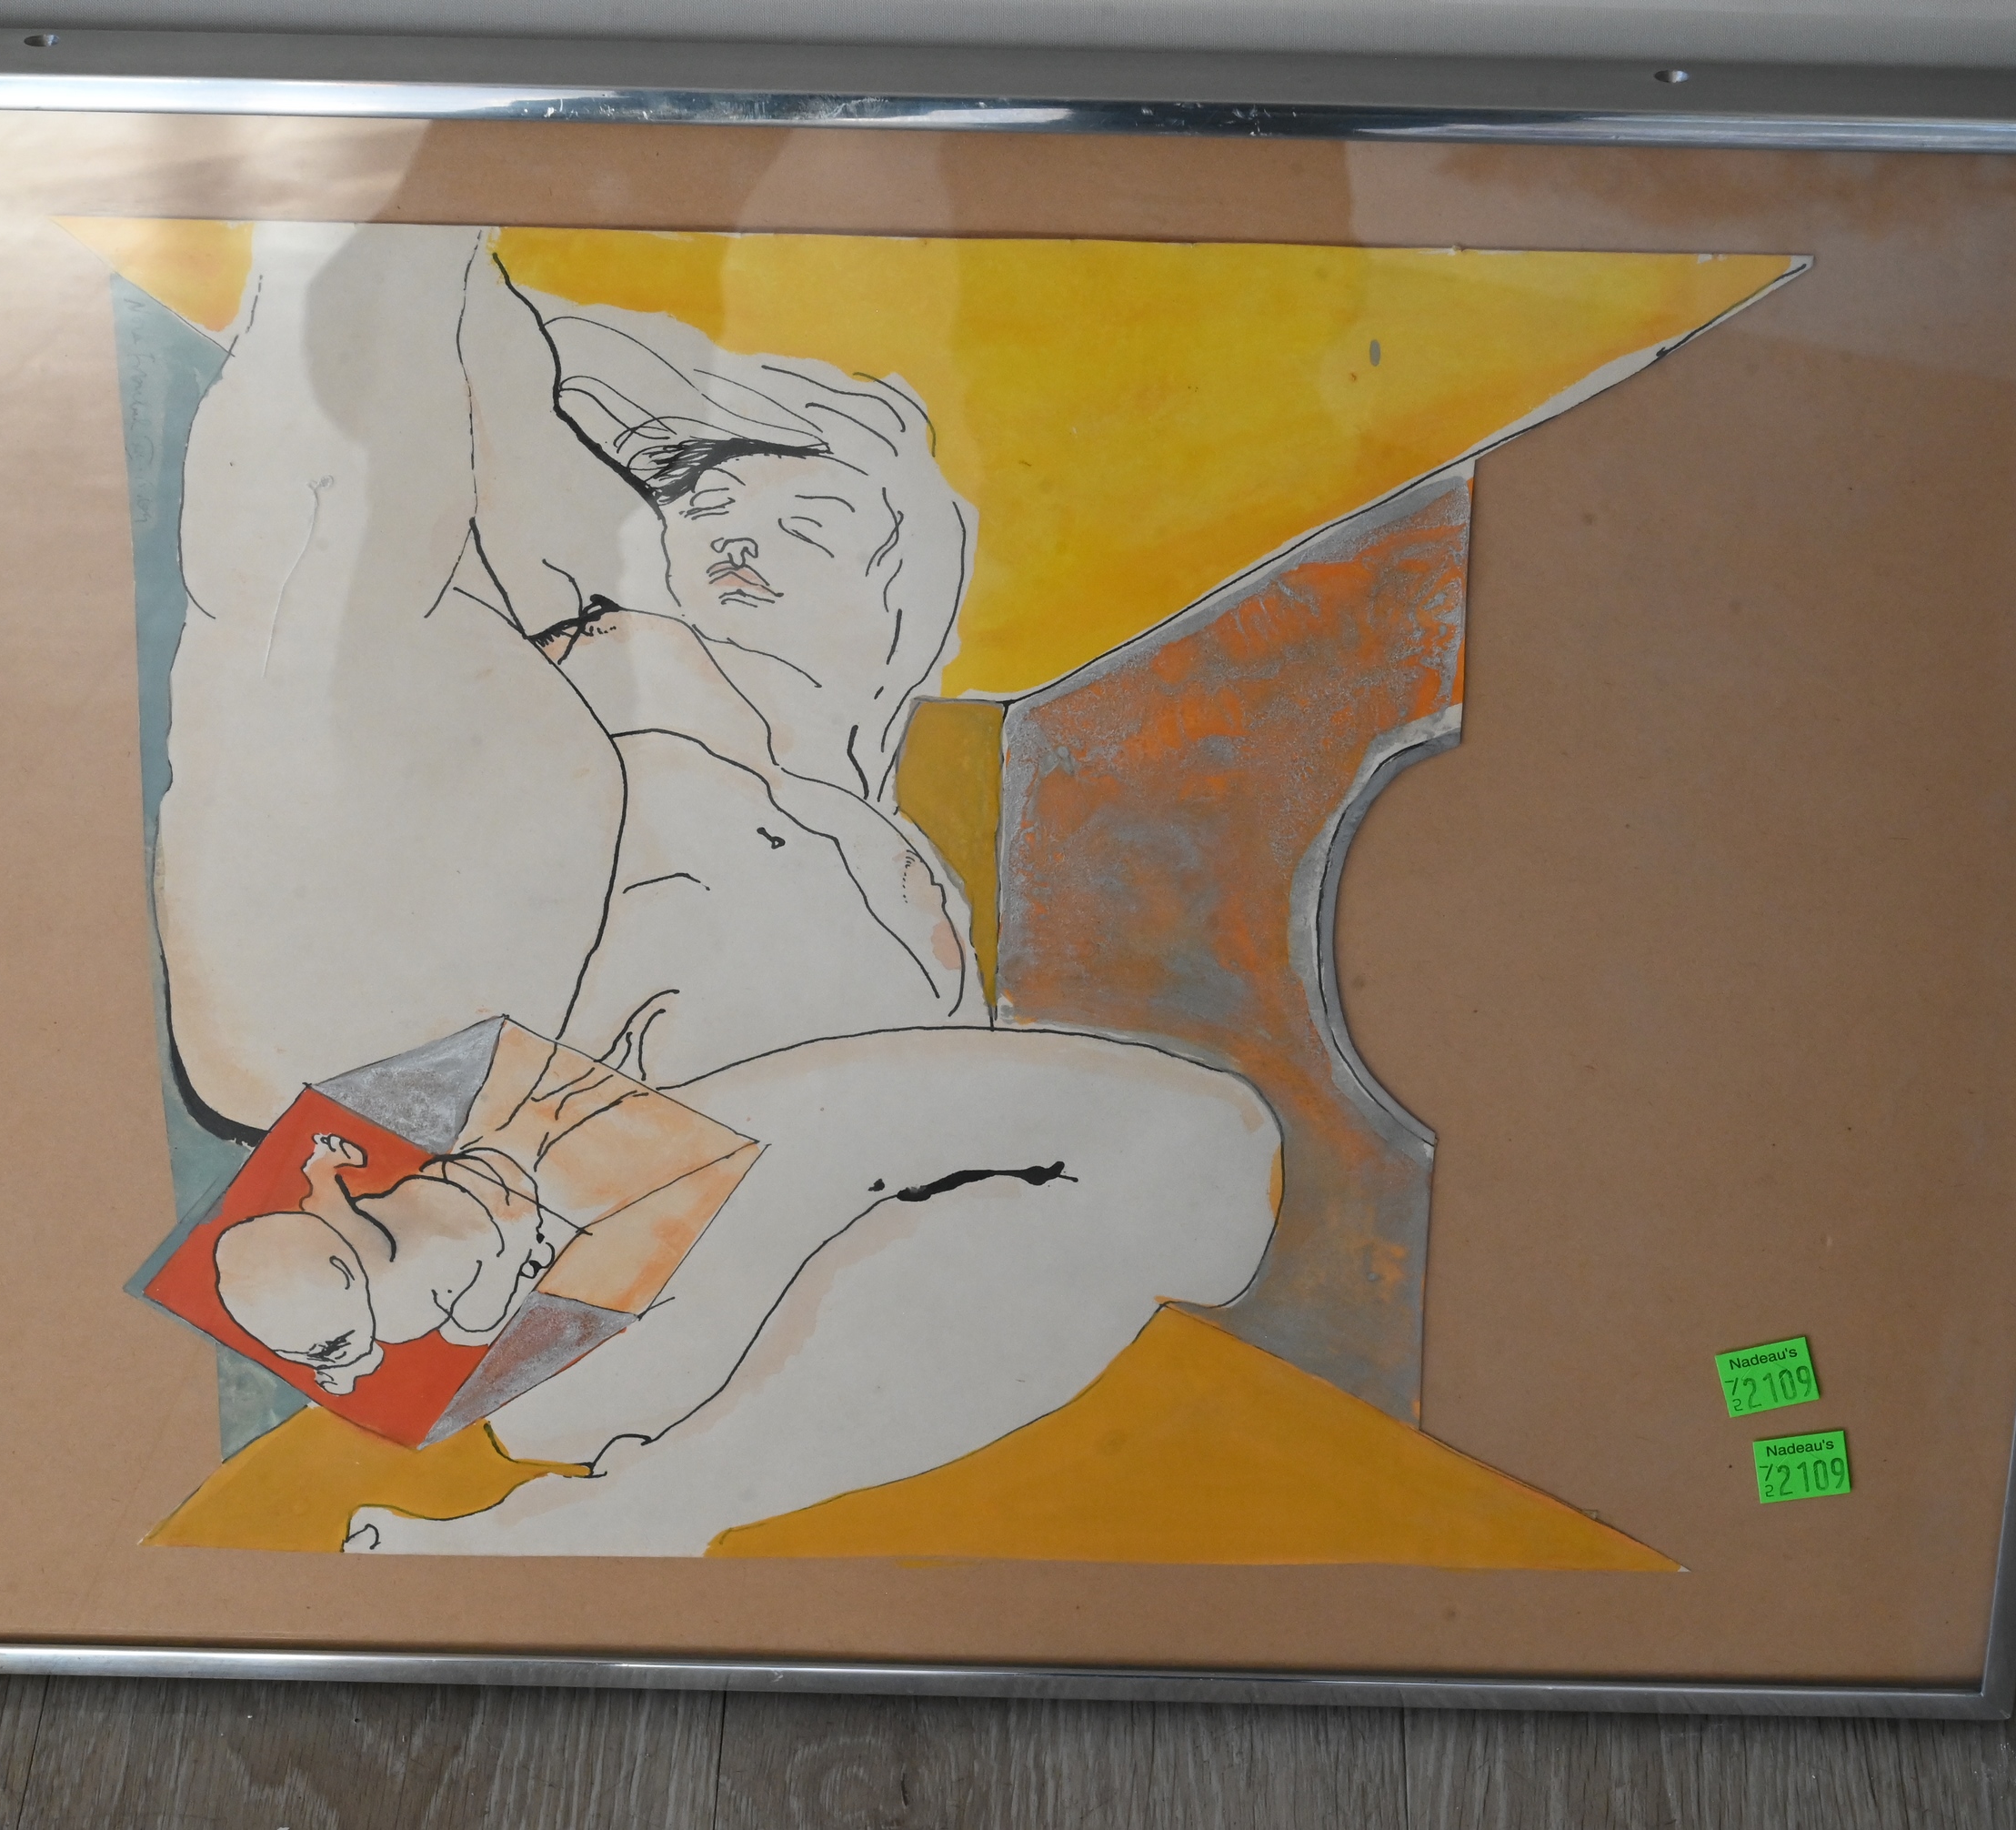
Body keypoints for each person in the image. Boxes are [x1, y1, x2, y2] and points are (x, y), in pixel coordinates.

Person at [160, 223, 1279, 1555]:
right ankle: (350, 243)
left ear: (903, 605)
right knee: (380, 646)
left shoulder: (881, 866)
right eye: (708, 514)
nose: (740, 543)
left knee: (1208, 1174)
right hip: (464, 1186)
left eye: (809, 524)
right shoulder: (616, 647)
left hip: (666, 1322)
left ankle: (625, 1514)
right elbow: (502, 406)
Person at [214, 1134, 565, 1395]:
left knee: (473, 1329)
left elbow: (363, 1348)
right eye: (315, 1355)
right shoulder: (333, 1228)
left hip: (505, 1221)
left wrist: (513, 1255)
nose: (325, 1356)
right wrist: (325, 1164)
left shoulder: (392, 1296)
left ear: (346, 1273)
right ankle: (522, 1250)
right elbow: (321, 1191)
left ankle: (528, 1251)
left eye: (331, 1348)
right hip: (446, 1177)